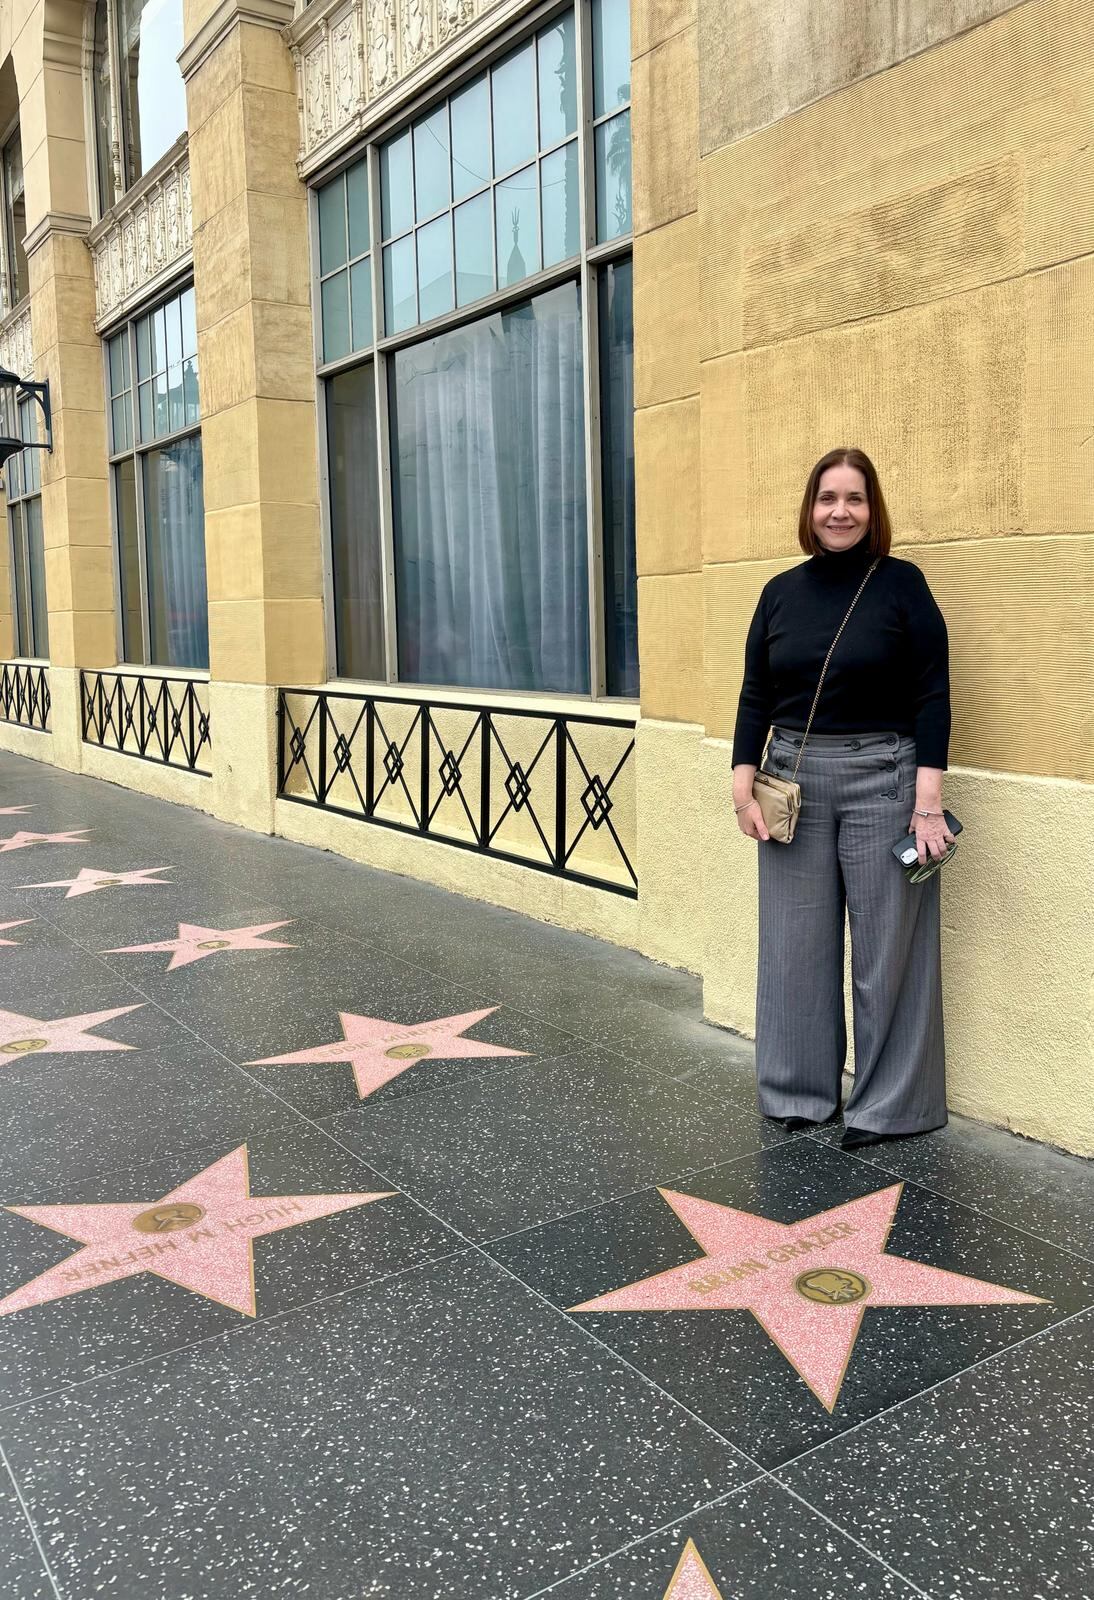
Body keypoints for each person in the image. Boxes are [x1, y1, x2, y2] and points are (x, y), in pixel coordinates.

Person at [731, 447, 953, 1150]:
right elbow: (756, 690)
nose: (840, 511)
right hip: (791, 778)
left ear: (873, 508)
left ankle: (889, 1106)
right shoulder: (780, 592)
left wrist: (928, 803)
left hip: (885, 779)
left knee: (889, 949)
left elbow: (933, 694)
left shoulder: (902, 586)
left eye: (855, 499)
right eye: (828, 497)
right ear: (810, 507)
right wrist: (743, 776)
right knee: (794, 945)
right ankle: (799, 1093)